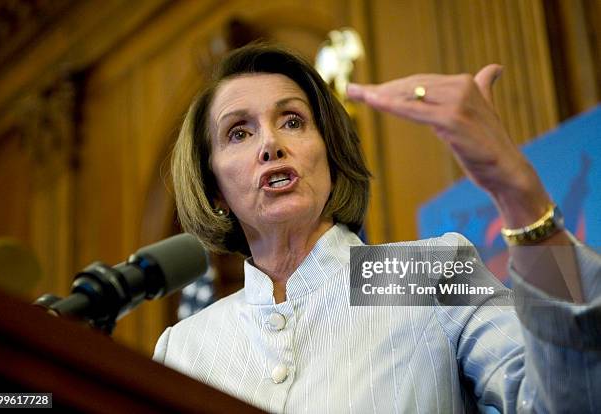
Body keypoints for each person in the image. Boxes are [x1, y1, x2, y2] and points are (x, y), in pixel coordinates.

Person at [153, 43, 600, 413]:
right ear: (213, 187)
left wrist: (518, 192)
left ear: (329, 152)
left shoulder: (420, 275)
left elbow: (570, 399)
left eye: (292, 121)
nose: (271, 143)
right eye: (238, 133)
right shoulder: (185, 347)